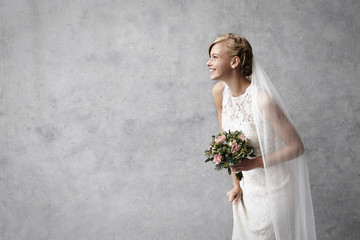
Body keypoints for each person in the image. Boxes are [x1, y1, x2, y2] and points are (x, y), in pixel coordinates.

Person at [207, 33, 316, 240]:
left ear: (234, 61)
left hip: (275, 192)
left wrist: (254, 163)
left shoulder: (262, 100)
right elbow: (227, 144)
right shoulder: (219, 92)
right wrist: (237, 185)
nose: (208, 62)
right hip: (246, 193)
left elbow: (296, 147)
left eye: (214, 57)